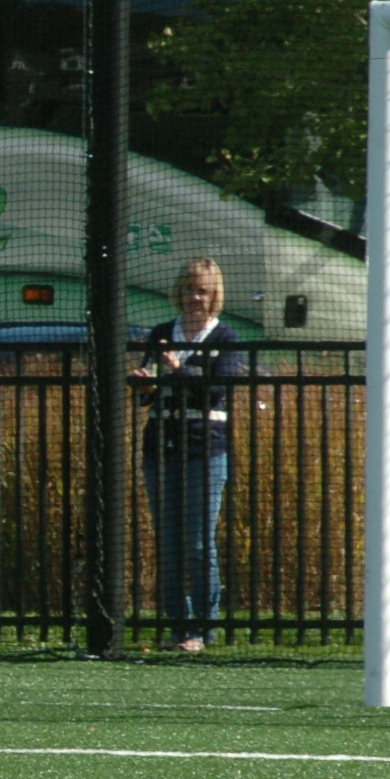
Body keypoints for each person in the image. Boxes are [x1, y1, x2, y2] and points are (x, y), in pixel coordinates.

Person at [135, 256, 245, 651]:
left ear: (213, 295)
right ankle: (177, 625)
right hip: (160, 448)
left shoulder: (225, 338)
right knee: (168, 542)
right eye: (188, 289)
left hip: (205, 449)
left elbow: (216, 390)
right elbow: (148, 396)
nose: (194, 297)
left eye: (202, 291)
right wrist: (144, 385)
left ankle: (201, 628)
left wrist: (178, 369)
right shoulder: (162, 333)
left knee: (198, 543)